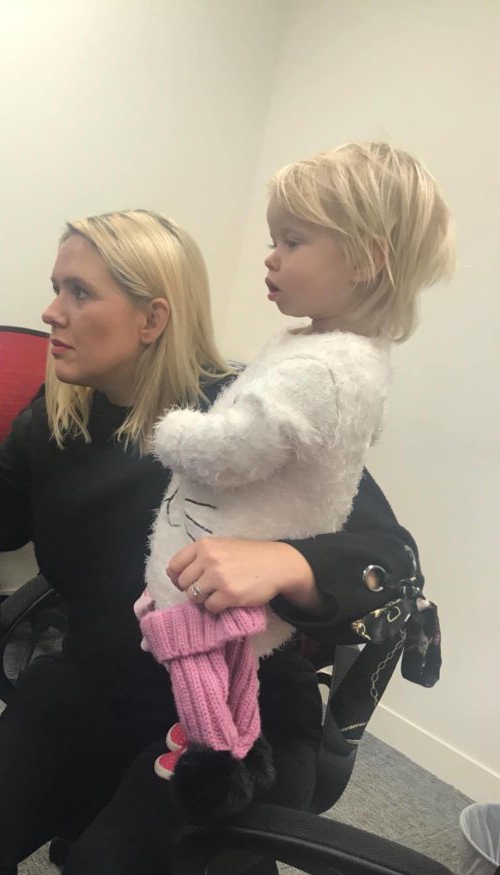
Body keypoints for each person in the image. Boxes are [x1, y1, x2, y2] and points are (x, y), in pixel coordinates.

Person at [0, 209, 425, 875]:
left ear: (152, 318)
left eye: (78, 291)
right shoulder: (64, 413)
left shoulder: (251, 412)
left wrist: (292, 564)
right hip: (99, 685)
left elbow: (395, 564)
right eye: (54, 289)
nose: (51, 311)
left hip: (233, 726)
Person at [136, 142, 454, 822]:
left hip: (209, 591)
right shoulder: (323, 355)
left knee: (203, 665)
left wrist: (171, 434)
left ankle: (217, 760)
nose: (270, 256)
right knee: (227, 669)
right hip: (213, 589)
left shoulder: (322, 370)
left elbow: (231, 452)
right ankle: (227, 739)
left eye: (293, 240)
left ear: (367, 258)